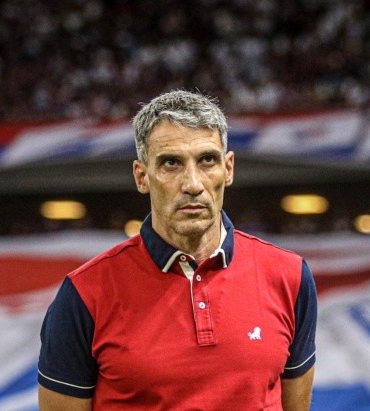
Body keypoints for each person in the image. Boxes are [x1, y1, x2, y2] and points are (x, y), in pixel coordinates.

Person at [37, 90, 318, 410]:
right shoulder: (84, 294)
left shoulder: (290, 276)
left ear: (228, 169)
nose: (193, 184)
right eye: (171, 163)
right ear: (142, 176)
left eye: (207, 160)